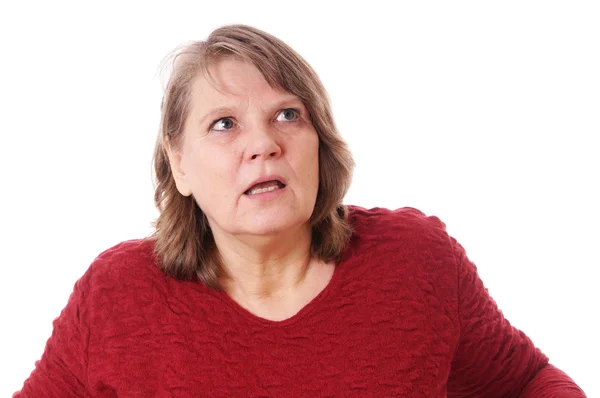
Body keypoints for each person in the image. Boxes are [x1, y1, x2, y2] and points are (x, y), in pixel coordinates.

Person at [15, 24, 586, 397]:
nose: (263, 144)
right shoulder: (117, 296)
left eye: (288, 115)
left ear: (320, 141)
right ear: (179, 165)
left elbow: (528, 383)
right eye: (224, 124)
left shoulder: (417, 263)